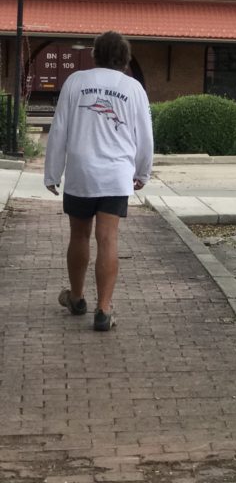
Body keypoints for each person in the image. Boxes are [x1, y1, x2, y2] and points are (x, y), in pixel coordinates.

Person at [44, 31, 154, 332]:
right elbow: (144, 135)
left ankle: (77, 298)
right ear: (125, 57)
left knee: (79, 236)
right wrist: (143, 172)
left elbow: (59, 130)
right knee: (108, 239)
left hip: (81, 173)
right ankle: (104, 310)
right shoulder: (133, 89)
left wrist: (52, 172)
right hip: (116, 176)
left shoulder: (76, 82)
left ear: (95, 54)